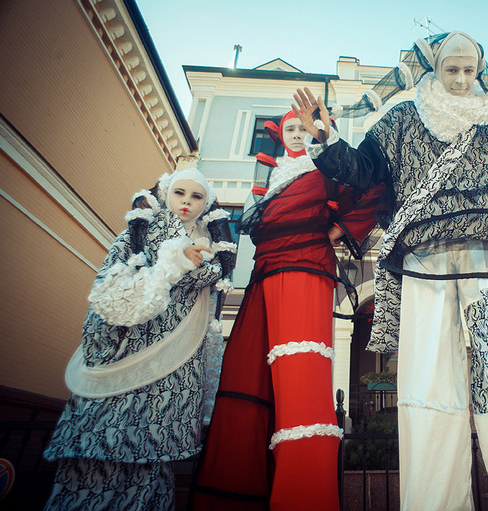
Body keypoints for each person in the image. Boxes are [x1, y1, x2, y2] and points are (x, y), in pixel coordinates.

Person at [293, 31, 488, 510]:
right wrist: (325, 137)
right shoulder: (402, 119)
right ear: (434, 68)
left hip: (485, 257)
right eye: (452, 68)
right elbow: (363, 170)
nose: (462, 78)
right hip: (423, 259)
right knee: (428, 378)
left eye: (470, 70)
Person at [190, 110, 382, 511]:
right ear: (279, 136)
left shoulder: (328, 168)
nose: (297, 134)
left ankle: (304, 497)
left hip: (304, 268)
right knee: (248, 373)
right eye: (290, 129)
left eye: (303, 128)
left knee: (300, 376)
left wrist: (337, 231)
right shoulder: (270, 178)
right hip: (262, 274)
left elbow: (374, 188)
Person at [43, 168, 236, 511]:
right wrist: (172, 262)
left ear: (206, 204)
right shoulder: (139, 234)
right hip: (128, 357)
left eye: (196, 197)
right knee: (99, 457)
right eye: (180, 193)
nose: (187, 203)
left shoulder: (213, 252)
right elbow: (109, 295)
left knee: (151, 467)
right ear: (166, 194)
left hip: (173, 375)